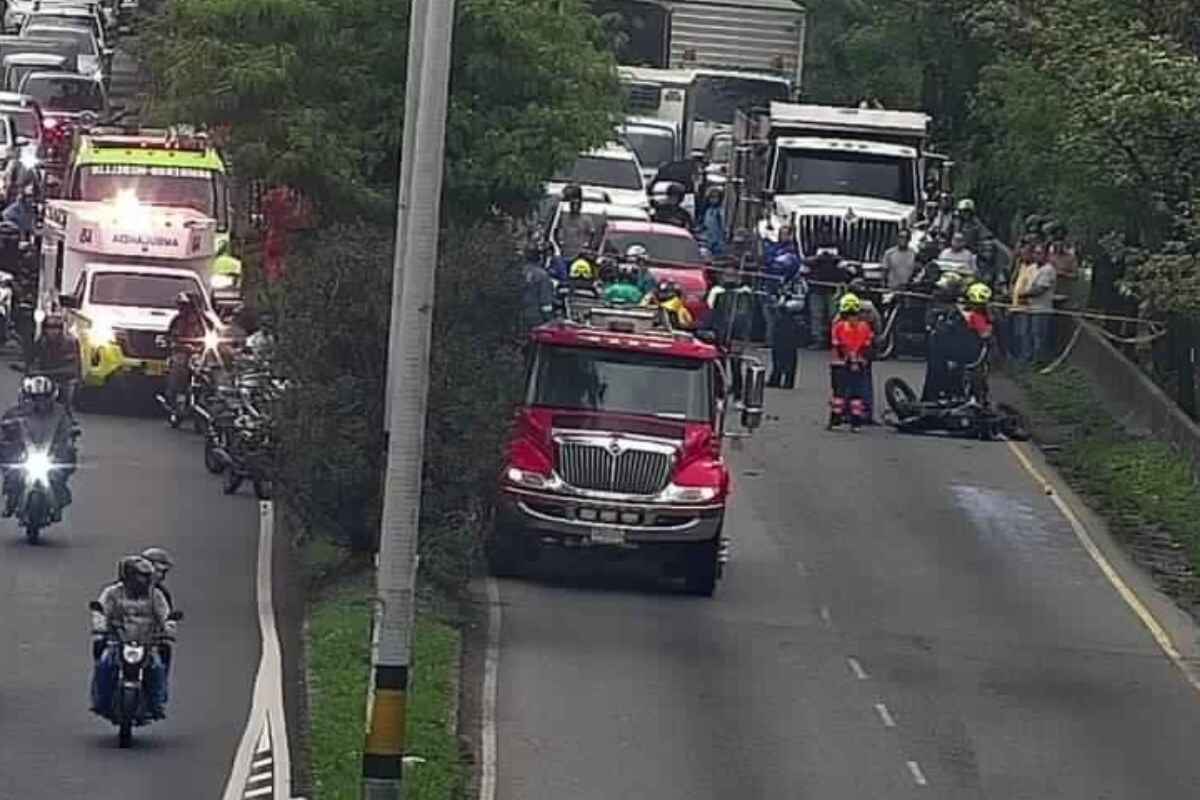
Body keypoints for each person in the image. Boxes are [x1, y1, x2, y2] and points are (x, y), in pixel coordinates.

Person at [90, 556, 171, 720]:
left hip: (146, 642)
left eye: (147, 576)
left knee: (156, 667)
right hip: (118, 641)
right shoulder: (112, 592)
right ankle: (101, 700)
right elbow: (100, 612)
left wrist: (168, 628)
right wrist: (100, 626)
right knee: (105, 664)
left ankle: (157, 703)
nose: (144, 581)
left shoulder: (156, 595)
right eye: (140, 576)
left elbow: (165, 615)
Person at [0, 375, 77, 520]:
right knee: (12, 471)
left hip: (50, 452)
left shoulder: (60, 412)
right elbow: (5, 427)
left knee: (63, 466)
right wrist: (8, 435)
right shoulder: (17, 412)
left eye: (44, 397)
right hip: (24, 452)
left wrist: (69, 436)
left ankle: (59, 500)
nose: (41, 401)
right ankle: (11, 500)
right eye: (36, 397)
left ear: (51, 396)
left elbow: (68, 428)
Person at [921, 282, 994, 403]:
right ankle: (942, 394)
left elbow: (984, 334)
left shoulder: (973, 316)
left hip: (963, 352)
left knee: (935, 363)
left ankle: (933, 396)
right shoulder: (976, 315)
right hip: (964, 351)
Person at [828, 293, 873, 430]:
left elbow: (838, 345)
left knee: (838, 393)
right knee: (856, 394)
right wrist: (858, 359)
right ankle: (856, 422)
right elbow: (867, 346)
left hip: (840, 364)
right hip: (860, 363)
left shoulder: (839, 326)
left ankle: (835, 419)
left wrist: (847, 357)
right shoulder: (865, 327)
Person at [164, 292, 208, 415]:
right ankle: (175, 394)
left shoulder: (205, 321)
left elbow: (215, 335)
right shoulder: (177, 321)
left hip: (200, 354)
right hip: (182, 352)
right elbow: (170, 337)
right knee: (179, 365)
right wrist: (179, 344)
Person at [1012, 243, 1057, 362]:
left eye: (1039, 253)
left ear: (1046, 255)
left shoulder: (1048, 270)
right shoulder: (1032, 268)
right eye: (1035, 253)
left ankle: (1038, 361)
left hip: (1041, 308)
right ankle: (1027, 358)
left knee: (1038, 336)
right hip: (1028, 307)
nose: (1036, 256)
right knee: (1027, 335)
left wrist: (1022, 294)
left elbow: (1039, 289)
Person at [27, 313, 81, 410]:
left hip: (62, 381)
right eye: (49, 328)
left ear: (61, 329)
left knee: (66, 400)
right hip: (43, 380)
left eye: (56, 328)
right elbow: (32, 361)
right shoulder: (41, 342)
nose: (52, 331)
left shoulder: (70, 343)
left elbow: (72, 370)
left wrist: (41, 372)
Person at [553, 184, 596, 272]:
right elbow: (555, 231)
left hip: (579, 256)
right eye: (573, 204)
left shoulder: (586, 220)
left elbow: (592, 234)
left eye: (577, 204)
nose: (575, 206)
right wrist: (559, 245)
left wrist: (587, 247)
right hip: (565, 254)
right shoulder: (563, 217)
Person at [767, 296, 804, 389]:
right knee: (776, 348)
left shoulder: (796, 282)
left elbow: (800, 301)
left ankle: (789, 379)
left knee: (788, 349)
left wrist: (783, 305)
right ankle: (775, 377)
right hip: (779, 314)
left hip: (791, 316)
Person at [521, 244, 555, 331]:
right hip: (536, 318)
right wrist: (550, 320)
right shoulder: (542, 275)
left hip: (518, 316)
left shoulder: (519, 272)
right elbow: (545, 302)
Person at [701, 186, 725, 257]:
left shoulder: (719, 211)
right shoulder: (707, 211)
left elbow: (722, 225)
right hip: (708, 238)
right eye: (711, 197)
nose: (713, 200)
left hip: (717, 240)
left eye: (715, 197)